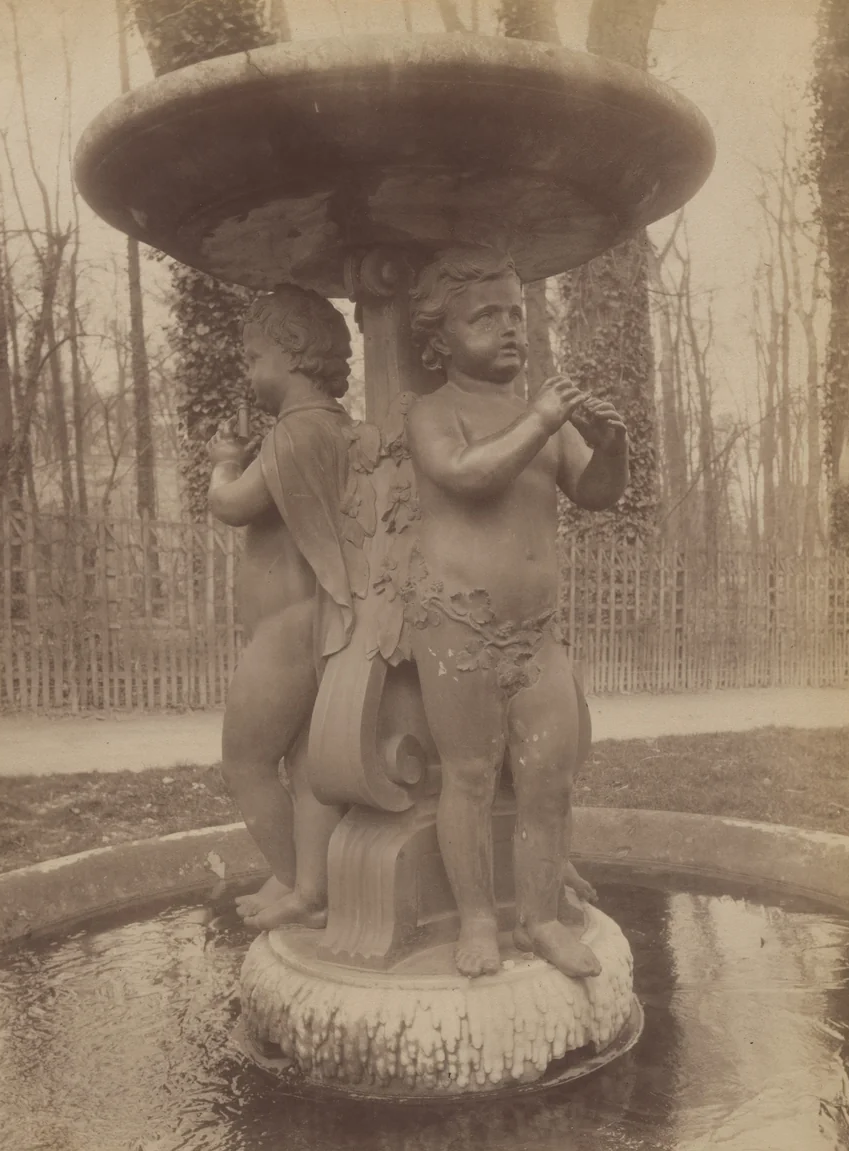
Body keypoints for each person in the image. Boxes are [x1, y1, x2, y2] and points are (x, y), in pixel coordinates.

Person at [404, 246, 627, 979]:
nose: (508, 328)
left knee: (549, 777)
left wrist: (612, 448)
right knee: (468, 776)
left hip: (537, 634)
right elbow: (465, 474)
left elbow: (594, 492)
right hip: (458, 628)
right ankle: (476, 919)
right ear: (440, 339)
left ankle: (539, 919)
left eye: (516, 314)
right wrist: (541, 418)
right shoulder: (434, 411)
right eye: (485, 317)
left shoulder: (543, 418)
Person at [207, 284, 359, 932]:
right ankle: (304, 883)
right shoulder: (342, 430)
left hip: (289, 629)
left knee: (244, 760)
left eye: (253, 356)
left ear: (292, 353)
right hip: (319, 624)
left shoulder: (294, 432)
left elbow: (232, 505)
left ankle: (300, 882)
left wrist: (222, 464)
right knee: (303, 764)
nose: (248, 372)